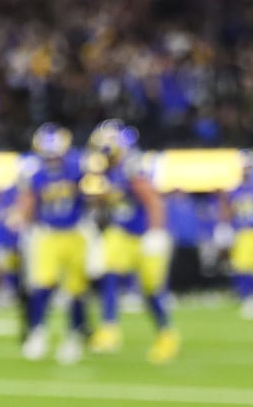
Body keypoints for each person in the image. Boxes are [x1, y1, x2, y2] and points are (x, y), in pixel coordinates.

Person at [83, 120, 179, 362]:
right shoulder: (110, 170)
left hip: (144, 235)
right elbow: (112, 201)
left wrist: (155, 233)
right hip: (121, 233)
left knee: (152, 292)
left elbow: (153, 202)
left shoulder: (132, 167)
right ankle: (109, 328)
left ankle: (167, 335)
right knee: (111, 274)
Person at [9, 123, 90, 363]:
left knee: (75, 289)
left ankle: (74, 337)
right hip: (47, 234)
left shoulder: (77, 166)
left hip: (76, 231)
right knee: (42, 285)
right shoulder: (35, 172)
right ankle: (37, 332)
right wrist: (21, 218)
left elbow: (92, 194)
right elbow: (28, 199)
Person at [220, 149, 253, 319]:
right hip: (242, 232)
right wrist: (225, 227)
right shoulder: (234, 190)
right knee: (242, 266)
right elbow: (228, 210)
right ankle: (248, 299)